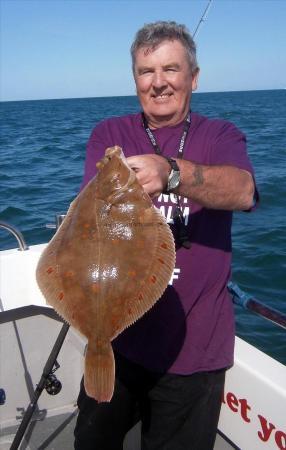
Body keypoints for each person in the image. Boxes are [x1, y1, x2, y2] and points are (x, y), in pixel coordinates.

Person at [74, 21, 257, 450]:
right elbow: (89, 223)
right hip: (118, 342)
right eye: (145, 71)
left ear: (193, 77)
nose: (158, 83)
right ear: (134, 79)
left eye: (171, 69)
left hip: (194, 349)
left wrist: (171, 172)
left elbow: (245, 191)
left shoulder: (220, 136)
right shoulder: (109, 134)